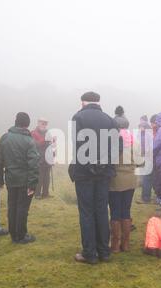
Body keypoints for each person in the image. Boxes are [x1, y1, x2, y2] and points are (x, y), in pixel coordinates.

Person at [68, 91, 118, 264]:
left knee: (87, 212)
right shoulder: (109, 120)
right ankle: (104, 251)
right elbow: (116, 146)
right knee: (102, 210)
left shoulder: (78, 117)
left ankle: (89, 253)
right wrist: (103, 165)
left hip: (84, 173)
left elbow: (78, 144)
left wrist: (90, 165)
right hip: (104, 174)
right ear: (98, 102)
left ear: (83, 102)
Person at [0, 112, 40, 244]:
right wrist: (32, 184)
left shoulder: (4, 138)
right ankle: (21, 236)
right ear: (27, 124)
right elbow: (33, 164)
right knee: (22, 208)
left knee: (12, 206)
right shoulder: (29, 141)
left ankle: (14, 235)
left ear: (15, 122)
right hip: (24, 180)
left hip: (10, 179)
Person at [109, 106, 137, 253]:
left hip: (115, 181)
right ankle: (125, 244)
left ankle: (114, 245)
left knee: (115, 211)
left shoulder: (112, 139)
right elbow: (140, 161)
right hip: (131, 180)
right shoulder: (133, 139)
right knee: (126, 210)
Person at [31, 118, 54, 199]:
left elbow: (51, 145)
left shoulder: (48, 133)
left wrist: (53, 144)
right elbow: (35, 144)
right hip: (38, 159)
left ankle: (45, 193)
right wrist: (45, 141)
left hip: (47, 159)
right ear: (38, 123)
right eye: (42, 123)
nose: (44, 125)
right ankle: (37, 194)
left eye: (45, 124)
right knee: (39, 177)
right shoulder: (33, 133)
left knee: (47, 177)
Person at [136, 115, 154, 205]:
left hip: (148, 157)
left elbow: (150, 146)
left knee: (147, 177)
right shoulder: (141, 134)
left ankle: (145, 197)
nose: (140, 128)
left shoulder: (148, 134)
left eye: (142, 127)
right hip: (144, 155)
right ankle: (145, 195)